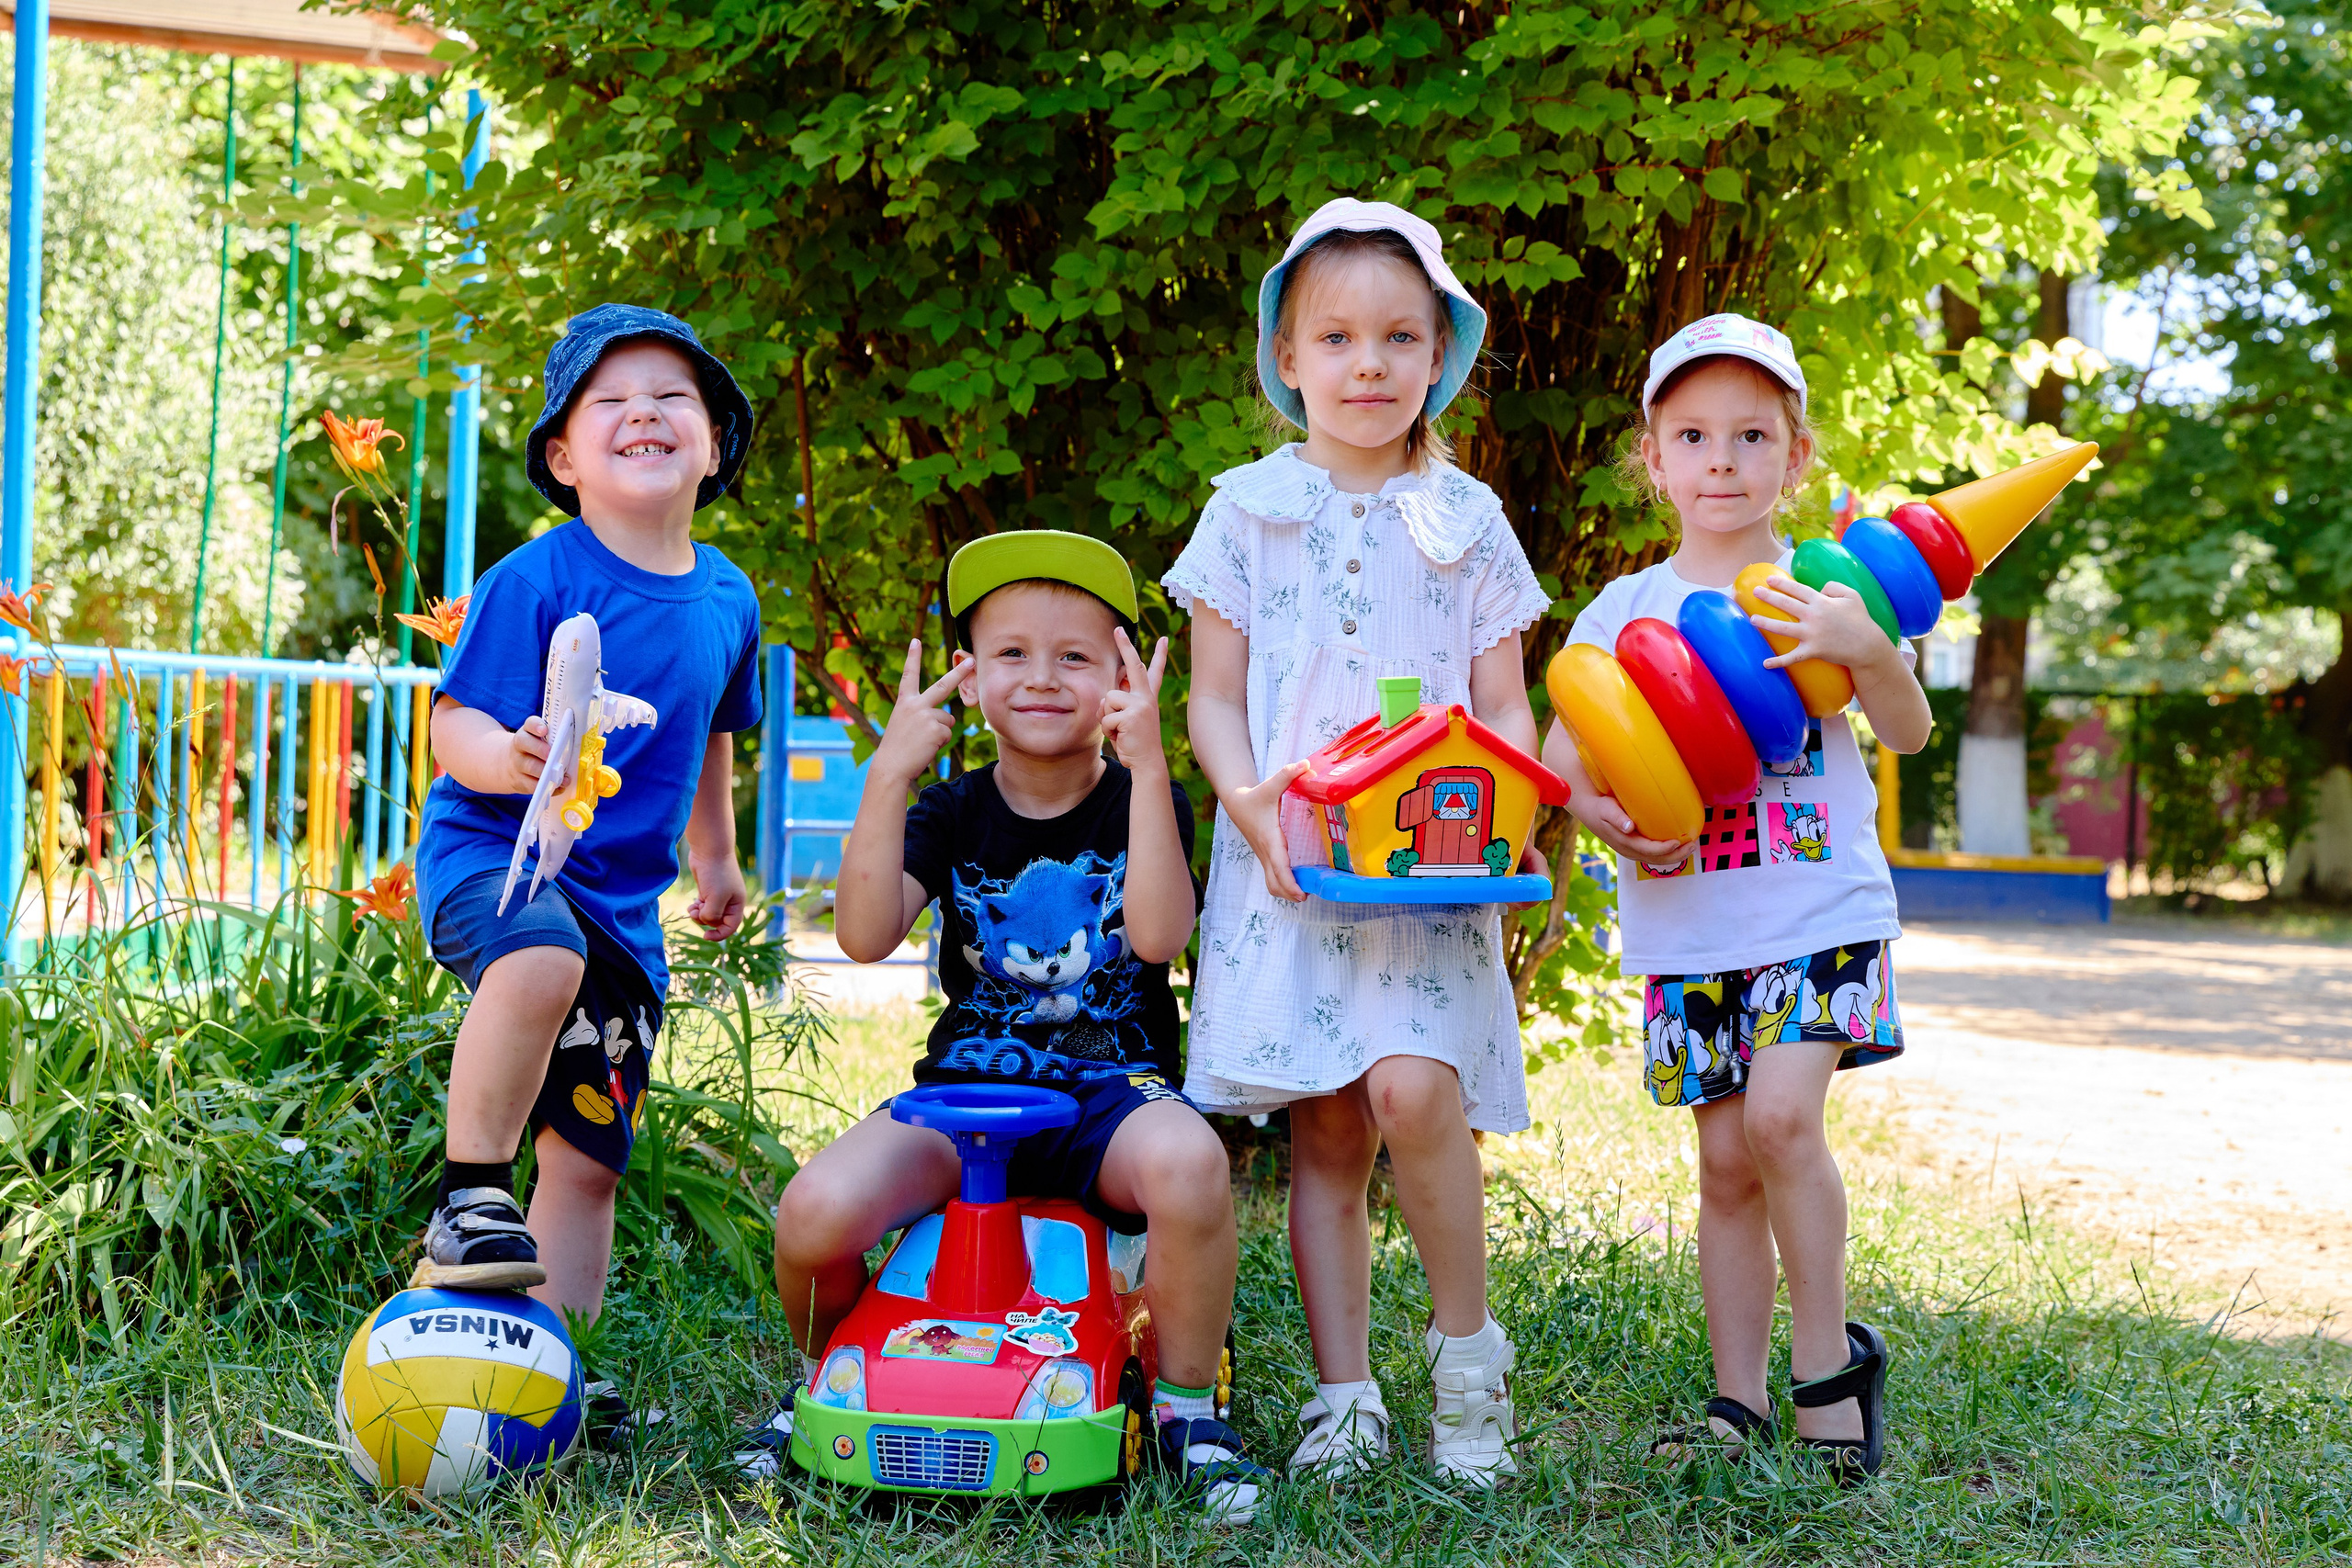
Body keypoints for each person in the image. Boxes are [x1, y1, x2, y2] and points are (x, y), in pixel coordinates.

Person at [734, 532, 1271, 1523]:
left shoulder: (1142, 799)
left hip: (1110, 1097)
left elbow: (1153, 937)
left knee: (1191, 1169)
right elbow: (860, 936)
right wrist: (888, 776)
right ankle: (818, 1379)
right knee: (811, 1212)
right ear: (970, 677)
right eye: (1012, 654)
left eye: (1075, 656)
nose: (1042, 677)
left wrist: (1149, 771)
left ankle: (1190, 1410)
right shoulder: (946, 811)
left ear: (1120, 674)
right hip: (965, 1100)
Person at [1163, 199, 1551, 1487]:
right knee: (1326, 1130)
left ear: (1441, 352)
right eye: (1336, 337)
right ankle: (1344, 1395)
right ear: (1287, 355)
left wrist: (1512, 800)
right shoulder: (1247, 512)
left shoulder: (1468, 519)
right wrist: (1249, 797)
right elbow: (1213, 694)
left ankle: (1467, 1358)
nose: (1368, 364)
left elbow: (1505, 703)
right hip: (1291, 866)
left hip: (1429, 872)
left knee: (1411, 1088)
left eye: (1399, 337)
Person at [1543, 313, 1928, 1480]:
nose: (1723, 461)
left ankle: (1828, 1374)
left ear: (1794, 456)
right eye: (1694, 436)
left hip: (1819, 917)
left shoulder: (1822, 593)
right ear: (1652, 459)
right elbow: (1563, 761)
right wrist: (1589, 810)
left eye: (1752, 436)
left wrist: (1868, 649)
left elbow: (1906, 732)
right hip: (1689, 925)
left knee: (1780, 1124)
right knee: (1721, 1165)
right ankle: (1735, 1397)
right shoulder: (1624, 611)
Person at [412, 304, 763, 1443]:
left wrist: (715, 858)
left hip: (624, 913)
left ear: (713, 445)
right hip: (492, 859)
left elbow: (713, 732)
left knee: (590, 1158)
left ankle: (549, 1368)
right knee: (541, 955)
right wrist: (503, 762)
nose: (644, 413)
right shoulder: (538, 576)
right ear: (564, 457)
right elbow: (450, 719)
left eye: (673, 397)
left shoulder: (730, 599)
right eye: (608, 401)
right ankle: (470, 1193)